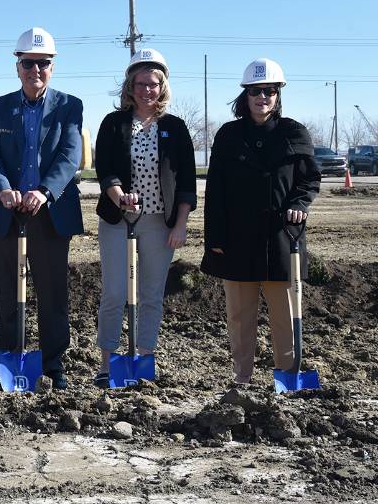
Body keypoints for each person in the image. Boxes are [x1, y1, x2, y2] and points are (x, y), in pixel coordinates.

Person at [201, 58, 320, 385]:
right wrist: (215, 240)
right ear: (246, 94)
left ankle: (288, 378)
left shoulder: (294, 133)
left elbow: (309, 181)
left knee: (286, 314)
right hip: (237, 239)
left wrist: (299, 203)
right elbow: (215, 191)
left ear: (278, 94)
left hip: (281, 238)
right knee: (240, 316)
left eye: (269, 90)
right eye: (256, 91)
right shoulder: (228, 135)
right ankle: (242, 378)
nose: (262, 97)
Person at [0, 27, 83, 389]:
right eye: (28, 63)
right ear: (17, 65)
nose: (35, 70)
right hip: (9, 214)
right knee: (8, 293)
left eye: (43, 64)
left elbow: (71, 156)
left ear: (52, 67)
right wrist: (3, 189)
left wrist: (45, 191)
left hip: (49, 214)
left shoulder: (70, 106)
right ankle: (8, 364)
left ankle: (53, 366)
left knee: (52, 293)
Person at [92, 49, 197, 387]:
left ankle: (144, 359)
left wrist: (180, 224)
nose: (147, 90)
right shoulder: (113, 124)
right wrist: (118, 195)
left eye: (153, 84)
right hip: (118, 220)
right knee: (114, 293)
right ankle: (108, 363)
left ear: (162, 87)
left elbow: (186, 183)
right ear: (130, 86)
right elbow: (105, 170)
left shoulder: (175, 128)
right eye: (140, 83)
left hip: (158, 222)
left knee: (151, 294)